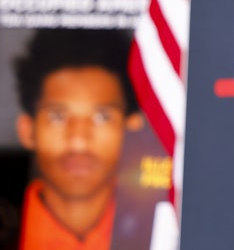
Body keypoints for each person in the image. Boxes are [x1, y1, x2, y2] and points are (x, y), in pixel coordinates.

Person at [13, 28, 143, 249]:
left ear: (131, 129)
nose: (78, 141)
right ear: (27, 130)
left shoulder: (164, 227)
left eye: (102, 117)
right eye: (57, 116)